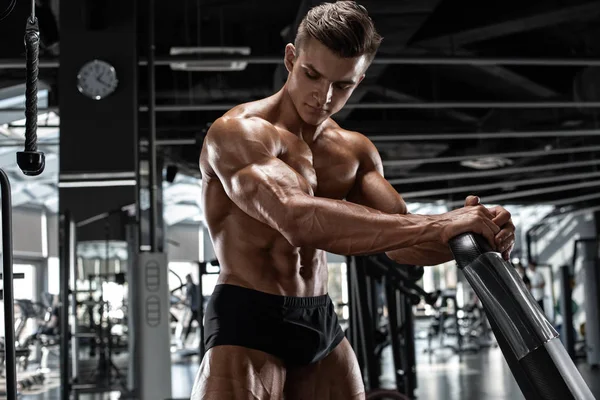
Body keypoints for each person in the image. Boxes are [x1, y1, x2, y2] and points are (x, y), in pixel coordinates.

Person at [192, 2, 515, 399]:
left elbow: (405, 244)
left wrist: (479, 232)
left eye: (343, 84)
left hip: (319, 318)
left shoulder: (353, 152)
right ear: (291, 59)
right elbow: (294, 217)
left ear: (360, 79)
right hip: (248, 316)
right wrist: (439, 223)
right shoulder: (238, 134)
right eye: (313, 75)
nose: (323, 97)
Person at [183, 274, 200, 344]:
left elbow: (188, 297)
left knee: (192, 323)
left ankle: (185, 339)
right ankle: (185, 338)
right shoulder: (195, 286)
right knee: (198, 323)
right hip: (196, 307)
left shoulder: (190, 286)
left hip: (194, 307)